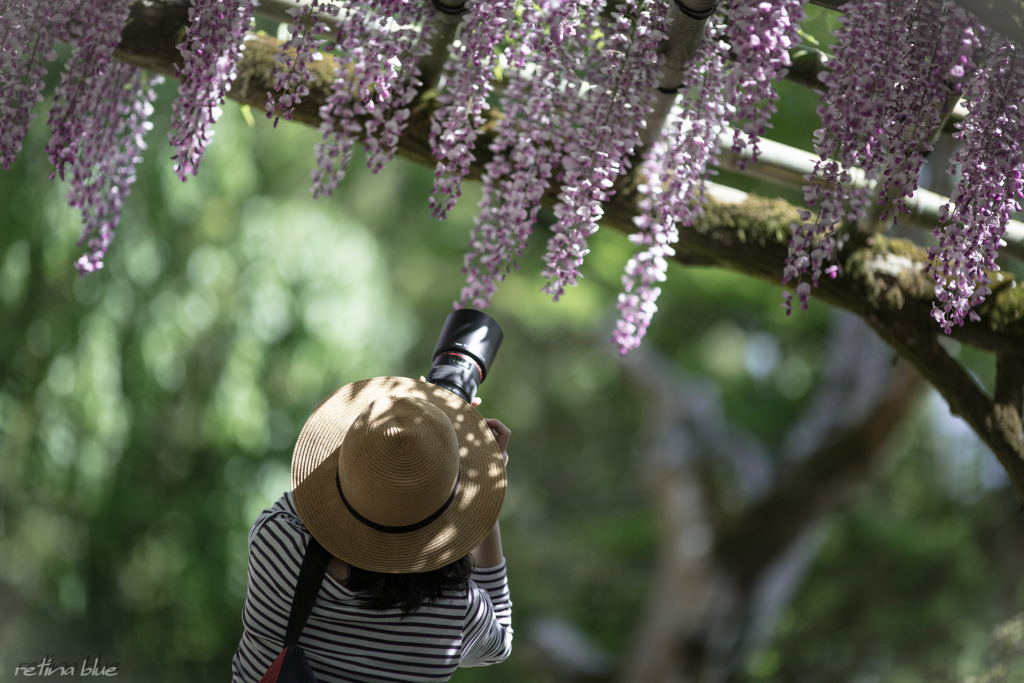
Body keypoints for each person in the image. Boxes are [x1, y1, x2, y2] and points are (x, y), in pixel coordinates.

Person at [231, 376, 513, 682]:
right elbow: (500, 641)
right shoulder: (456, 611)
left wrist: (381, 443)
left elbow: (310, 490)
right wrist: (479, 487)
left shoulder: (275, 544)